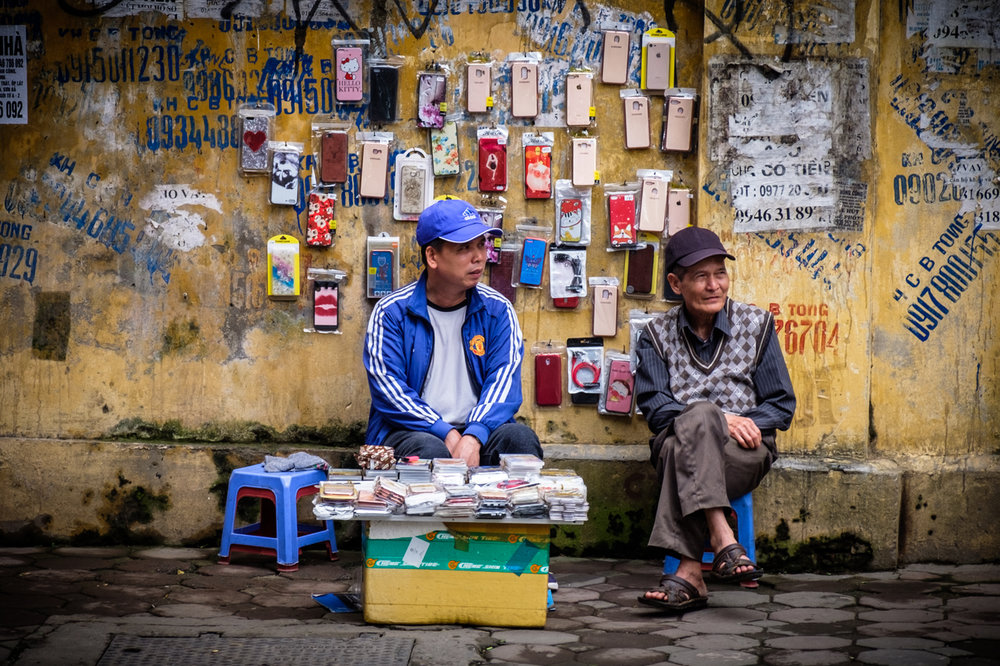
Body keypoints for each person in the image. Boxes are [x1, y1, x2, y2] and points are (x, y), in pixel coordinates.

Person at [633, 226, 796, 613]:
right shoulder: (654, 335)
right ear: (676, 282)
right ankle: (723, 538)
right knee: (699, 417)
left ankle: (689, 574)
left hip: (744, 453)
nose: (713, 286)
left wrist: (738, 426)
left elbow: (781, 404)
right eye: (700, 277)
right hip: (684, 445)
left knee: (679, 449)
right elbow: (656, 408)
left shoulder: (757, 325)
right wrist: (720, 419)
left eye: (719, 274)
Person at [363, 197, 543, 469]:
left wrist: (473, 435)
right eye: (464, 248)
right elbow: (389, 391)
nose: (479, 256)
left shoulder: (497, 311)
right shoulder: (391, 313)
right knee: (428, 449)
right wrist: (444, 431)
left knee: (520, 439)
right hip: (413, 432)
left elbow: (504, 382)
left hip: (482, 430)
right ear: (432, 256)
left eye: (481, 244)